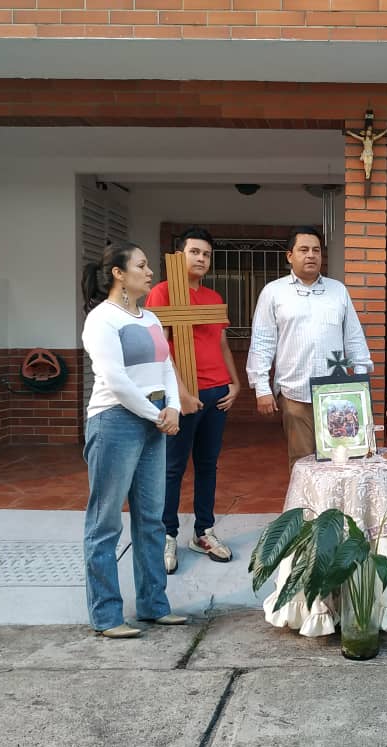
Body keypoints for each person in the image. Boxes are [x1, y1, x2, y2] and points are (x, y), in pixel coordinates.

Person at [81, 241, 187, 638]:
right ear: (118, 274)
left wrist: (172, 407)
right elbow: (116, 380)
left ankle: (154, 606)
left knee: (152, 520)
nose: (150, 272)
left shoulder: (151, 318)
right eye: (141, 266)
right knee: (105, 523)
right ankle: (107, 615)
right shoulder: (101, 319)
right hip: (116, 422)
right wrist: (157, 415)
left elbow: (166, 367)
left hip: (154, 421)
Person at [145, 227, 241, 574]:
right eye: (195, 252)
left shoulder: (213, 297)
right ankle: (166, 534)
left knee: (207, 465)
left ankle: (203, 532)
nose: (201, 259)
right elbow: (159, 348)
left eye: (206, 254)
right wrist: (181, 394)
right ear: (179, 255)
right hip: (181, 396)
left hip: (217, 393)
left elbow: (221, 343)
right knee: (172, 467)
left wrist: (234, 382)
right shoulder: (163, 292)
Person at [247, 226, 374, 470]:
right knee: (302, 463)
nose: (311, 255)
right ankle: (305, 498)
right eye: (303, 250)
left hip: (338, 394)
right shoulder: (274, 292)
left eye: (316, 250)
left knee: (342, 460)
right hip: (295, 393)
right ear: (289, 255)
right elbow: (262, 343)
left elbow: (354, 338)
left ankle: (337, 497)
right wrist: (261, 387)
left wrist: (360, 380)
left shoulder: (338, 290)